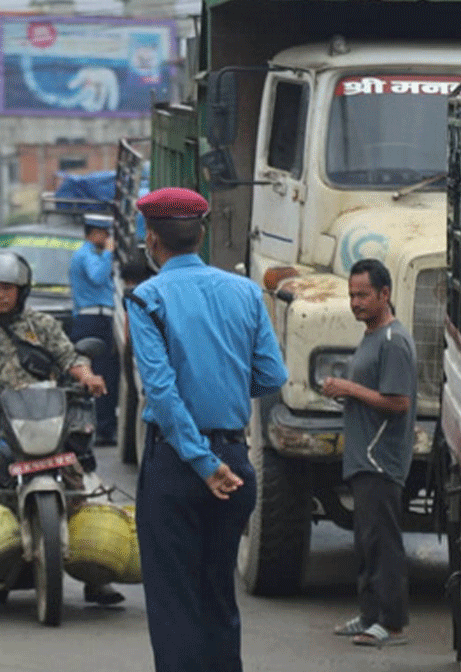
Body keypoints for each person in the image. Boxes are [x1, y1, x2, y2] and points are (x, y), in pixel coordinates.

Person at [126, 187, 287, 672]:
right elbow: (271, 376)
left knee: (175, 608)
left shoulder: (148, 298)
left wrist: (200, 461)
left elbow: (162, 392)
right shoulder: (243, 291)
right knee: (219, 600)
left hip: (178, 467)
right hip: (234, 463)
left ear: (153, 240)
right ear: (202, 235)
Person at [0, 249, 123, 606]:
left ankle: (95, 576)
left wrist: (88, 376)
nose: (0, 295)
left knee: (78, 479)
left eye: (8, 288)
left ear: (22, 290)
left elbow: (69, 356)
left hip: (42, 415)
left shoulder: (40, 324)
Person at [324, 258, 417, 649]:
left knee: (383, 543)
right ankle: (369, 615)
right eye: (352, 295)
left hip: (381, 461)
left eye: (363, 295)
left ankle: (391, 624)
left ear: (385, 294)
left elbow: (399, 402)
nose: (356, 302)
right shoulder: (372, 335)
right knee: (366, 541)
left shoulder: (394, 341)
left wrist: (349, 389)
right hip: (363, 459)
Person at [69, 213, 120, 445]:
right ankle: (102, 428)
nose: (107, 238)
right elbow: (98, 277)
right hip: (94, 319)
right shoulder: (87, 254)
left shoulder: (88, 253)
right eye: (104, 234)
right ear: (94, 234)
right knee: (101, 373)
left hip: (92, 318)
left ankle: (101, 426)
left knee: (100, 372)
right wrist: (109, 252)